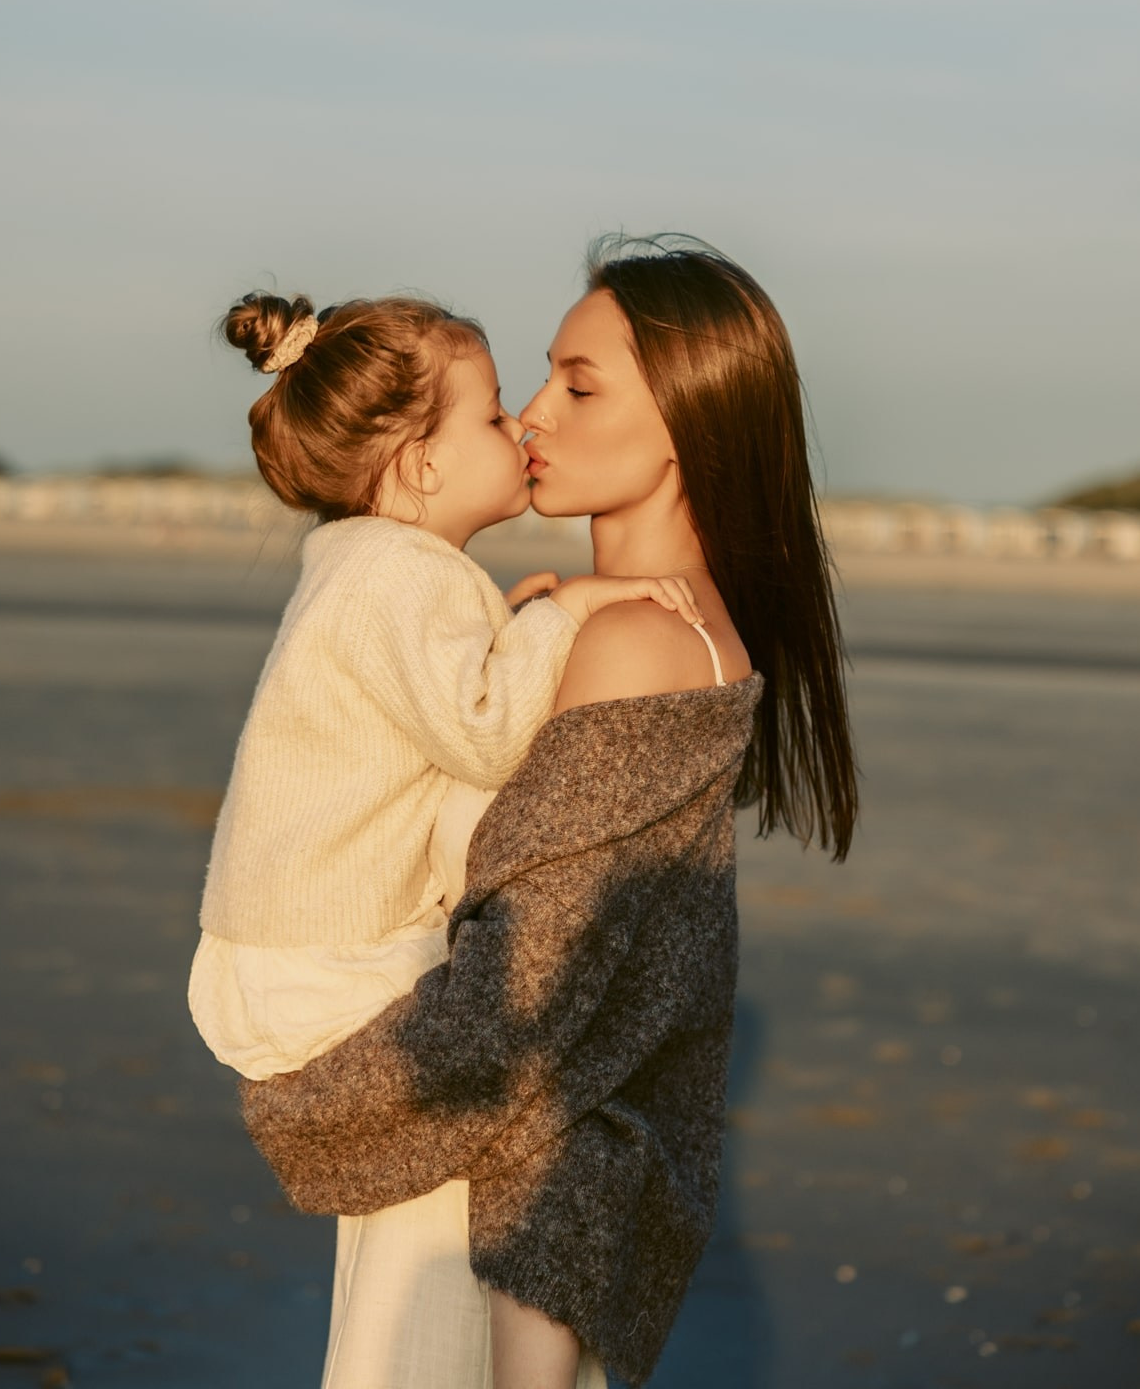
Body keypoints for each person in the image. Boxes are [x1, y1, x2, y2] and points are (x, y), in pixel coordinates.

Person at [241, 238, 858, 1389]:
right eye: (539, 379)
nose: (531, 414)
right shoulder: (680, 632)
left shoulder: (630, 643)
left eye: (577, 386)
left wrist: (311, 1109)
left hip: (469, 1169)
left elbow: (529, 983)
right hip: (525, 1181)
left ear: (687, 417)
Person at [188, 289, 705, 1378]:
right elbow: (481, 736)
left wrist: (520, 624)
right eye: (483, 416)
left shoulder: (370, 570)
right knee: (491, 1126)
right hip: (329, 961)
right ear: (420, 465)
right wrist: (569, 612)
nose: (517, 423)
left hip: (296, 953)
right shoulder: (396, 576)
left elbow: (452, 723)